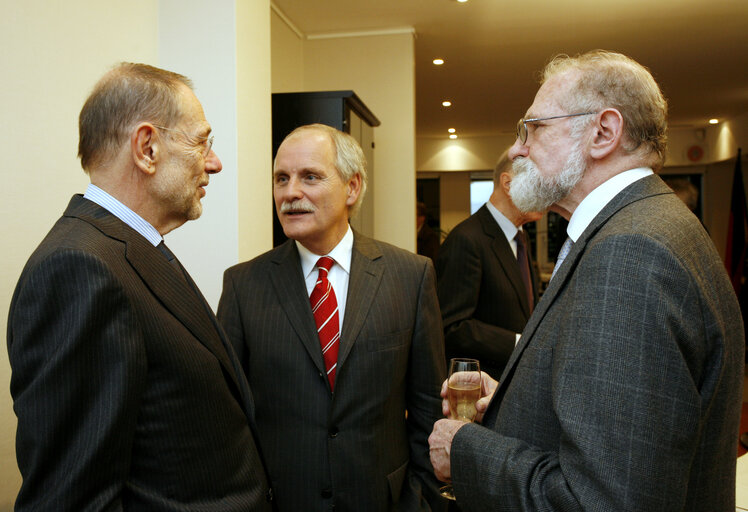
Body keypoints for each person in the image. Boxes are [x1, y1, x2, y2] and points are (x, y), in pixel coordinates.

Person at [429, 50, 744, 511]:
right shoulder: (645, 223)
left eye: (533, 128)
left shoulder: (630, 252)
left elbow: (600, 499)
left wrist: (466, 450)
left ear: (603, 132)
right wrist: (513, 400)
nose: (518, 149)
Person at [7, 63, 272, 511]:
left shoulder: (130, 248)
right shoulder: (80, 268)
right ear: (147, 148)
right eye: (202, 142)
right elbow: (72, 498)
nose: (215, 162)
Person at [218, 123, 447, 512]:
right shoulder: (243, 285)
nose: (290, 193)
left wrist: (419, 500)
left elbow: (427, 409)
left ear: (352, 187)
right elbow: (227, 416)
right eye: (281, 179)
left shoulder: (410, 276)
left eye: (310, 177)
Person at [436, 149, 543, 379]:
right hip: (481, 387)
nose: (546, 192)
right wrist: (519, 342)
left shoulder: (521, 237)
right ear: (507, 183)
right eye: (537, 183)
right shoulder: (467, 239)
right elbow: (453, 327)